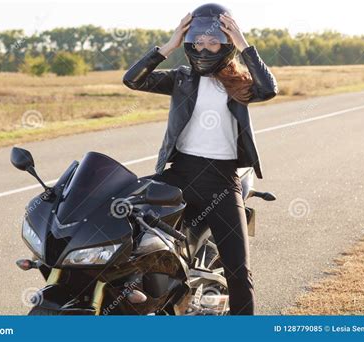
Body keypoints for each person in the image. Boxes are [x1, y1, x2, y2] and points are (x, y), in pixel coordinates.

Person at [123, 3, 278, 315]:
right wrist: (168, 45)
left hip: (222, 182)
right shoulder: (181, 78)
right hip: (178, 175)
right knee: (126, 227)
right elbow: (133, 80)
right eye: (199, 42)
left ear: (226, 44)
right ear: (190, 43)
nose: (206, 48)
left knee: (239, 269)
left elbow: (269, 89)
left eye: (214, 42)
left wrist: (243, 42)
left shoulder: (241, 82)